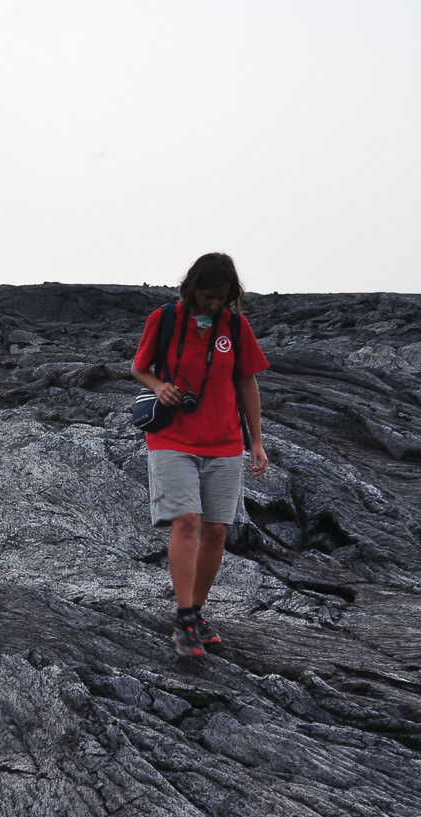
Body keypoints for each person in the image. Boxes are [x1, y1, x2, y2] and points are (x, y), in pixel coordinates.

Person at [130, 253, 269, 657]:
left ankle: (194, 613)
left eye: (222, 297)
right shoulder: (165, 320)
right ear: (192, 289)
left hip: (225, 441)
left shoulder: (236, 327)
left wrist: (256, 442)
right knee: (187, 521)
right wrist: (159, 386)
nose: (215, 304)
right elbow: (139, 367)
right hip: (173, 439)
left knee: (217, 530)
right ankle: (185, 617)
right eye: (209, 296)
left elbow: (247, 383)